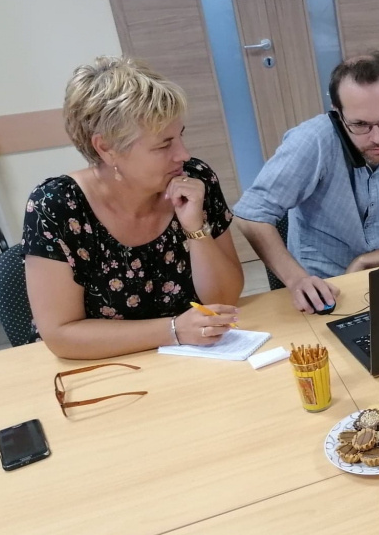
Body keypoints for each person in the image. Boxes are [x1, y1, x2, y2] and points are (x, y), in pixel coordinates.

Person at [22, 56, 244, 360]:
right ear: (106, 148)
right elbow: (61, 335)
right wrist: (174, 330)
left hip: (191, 359)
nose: (183, 154)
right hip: (101, 366)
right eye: (163, 144)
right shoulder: (57, 206)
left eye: (180, 136)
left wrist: (195, 229)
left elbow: (225, 299)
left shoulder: (194, 179)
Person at [233, 51, 379, 313]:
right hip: (326, 290)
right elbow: (251, 215)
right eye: (361, 125)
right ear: (338, 113)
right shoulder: (313, 141)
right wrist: (296, 280)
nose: (377, 138)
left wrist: (369, 260)